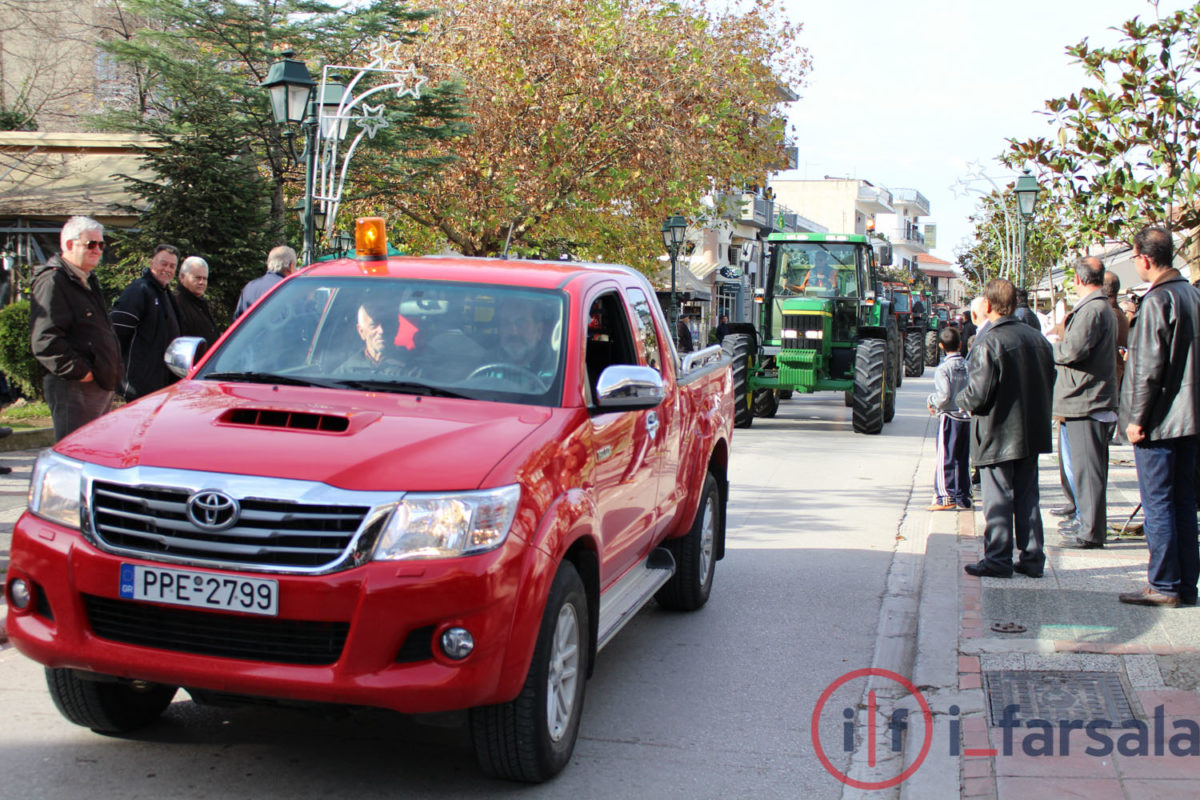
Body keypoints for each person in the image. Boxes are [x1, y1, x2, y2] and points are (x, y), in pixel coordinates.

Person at [1119, 226, 1200, 607]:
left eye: (1135, 257)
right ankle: (1185, 584)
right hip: (1189, 419)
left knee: (1159, 504)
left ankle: (1164, 582)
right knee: (1183, 502)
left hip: (1162, 420)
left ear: (1146, 258)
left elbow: (1148, 367)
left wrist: (1136, 418)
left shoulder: (1158, 301)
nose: (1136, 264)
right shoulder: (1192, 295)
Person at [957, 278, 1056, 578]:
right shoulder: (1039, 339)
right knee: (1028, 497)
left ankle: (998, 558)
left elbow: (978, 394)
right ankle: (1032, 557)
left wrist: (959, 398)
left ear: (987, 306)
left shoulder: (990, 341)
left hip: (998, 432)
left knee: (998, 498)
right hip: (1031, 429)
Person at [29, 216, 123, 442]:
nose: (98, 250)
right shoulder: (53, 281)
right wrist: (83, 373)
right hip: (75, 389)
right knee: (76, 455)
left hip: (97, 387)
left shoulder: (88, 280)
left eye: (101, 244)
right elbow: (44, 340)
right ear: (69, 245)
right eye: (91, 244)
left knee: (94, 454)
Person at [1051, 257, 1118, 550]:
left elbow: (1073, 350)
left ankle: (1090, 531)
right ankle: (1087, 525)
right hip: (1084, 400)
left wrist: (1052, 346)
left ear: (1078, 280)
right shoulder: (1097, 306)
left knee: (1088, 473)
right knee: (1083, 471)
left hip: (1087, 401)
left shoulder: (1093, 309)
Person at [110, 243, 182, 401]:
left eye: (172, 266)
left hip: (160, 384)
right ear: (152, 263)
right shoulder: (139, 290)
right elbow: (116, 331)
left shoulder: (166, 294)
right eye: (163, 264)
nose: (167, 269)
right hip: (138, 386)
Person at [926, 326, 971, 511]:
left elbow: (944, 396)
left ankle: (945, 497)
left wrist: (932, 401)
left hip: (949, 417)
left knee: (946, 457)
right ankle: (963, 496)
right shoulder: (969, 366)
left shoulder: (943, 369)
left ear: (941, 346)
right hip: (966, 417)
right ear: (960, 344)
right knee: (963, 457)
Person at [337, 300, 406, 375]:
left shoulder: (414, 373)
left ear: (396, 328)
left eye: (386, 324)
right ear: (361, 331)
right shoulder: (344, 373)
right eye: (373, 325)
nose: (381, 330)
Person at [234, 245, 296, 319]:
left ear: (268, 263)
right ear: (291, 266)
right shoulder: (292, 289)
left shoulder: (250, 287)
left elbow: (237, 321)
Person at [173, 256, 221, 346]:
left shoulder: (201, 303)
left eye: (204, 279)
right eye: (197, 278)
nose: (201, 282)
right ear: (182, 277)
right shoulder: (176, 303)